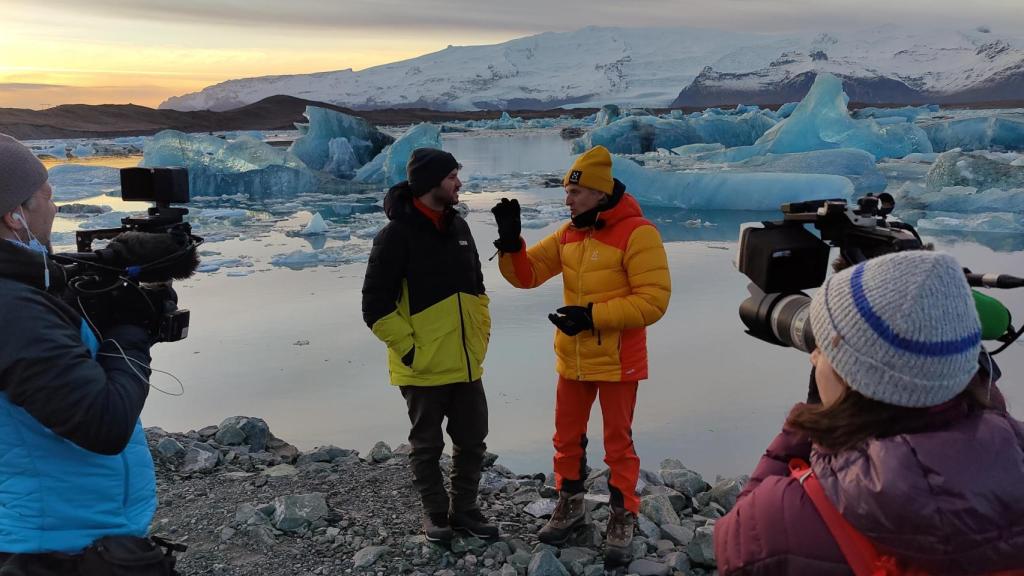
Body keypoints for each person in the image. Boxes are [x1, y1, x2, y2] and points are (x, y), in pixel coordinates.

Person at [714, 250, 1024, 575]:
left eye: (823, 349)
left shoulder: (779, 518)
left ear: (851, 376)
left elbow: (735, 548)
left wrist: (806, 427)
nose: (812, 358)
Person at [490, 145, 671, 564]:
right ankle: (571, 505)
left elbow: (654, 301)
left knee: (617, 444)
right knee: (565, 437)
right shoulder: (570, 233)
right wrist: (511, 242)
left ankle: (622, 516)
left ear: (600, 194)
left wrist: (592, 317)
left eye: (575, 192)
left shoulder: (637, 233)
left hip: (618, 358)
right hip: (572, 357)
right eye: (567, 192)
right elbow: (527, 275)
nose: (567, 200)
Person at [0, 134, 169, 574]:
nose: (54, 208)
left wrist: (108, 268)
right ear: (15, 216)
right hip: (55, 546)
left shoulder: (23, 289)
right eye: (47, 196)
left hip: (52, 526)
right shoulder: (11, 308)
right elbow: (103, 422)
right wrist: (131, 331)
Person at [361, 148, 496, 544]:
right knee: (427, 444)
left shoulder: (459, 228)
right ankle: (436, 514)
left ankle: (466, 510)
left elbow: (477, 287)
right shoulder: (395, 236)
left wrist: (480, 332)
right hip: (422, 365)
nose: (460, 183)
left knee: (473, 440)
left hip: (465, 360)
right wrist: (411, 349)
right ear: (432, 181)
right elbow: (375, 307)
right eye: (453, 176)